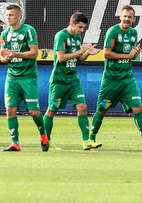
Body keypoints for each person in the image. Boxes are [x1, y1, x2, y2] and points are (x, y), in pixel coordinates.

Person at [89, 5, 142, 151]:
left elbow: (130, 55)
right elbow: (106, 53)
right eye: (124, 16)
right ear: (120, 17)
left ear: (134, 19)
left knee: (138, 107)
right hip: (111, 80)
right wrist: (128, 56)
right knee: (102, 109)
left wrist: (134, 55)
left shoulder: (134, 33)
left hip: (127, 79)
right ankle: (91, 139)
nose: (126, 19)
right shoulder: (112, 31)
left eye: (130, 17)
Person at [42, 11, 100, 150]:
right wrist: (81, 51)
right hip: (59, 80)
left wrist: (87, 53)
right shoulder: (61, 35)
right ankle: (45, 139)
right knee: (52, 110)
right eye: (80, 27)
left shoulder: (77, 38)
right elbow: (61, 58)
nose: (81, 31)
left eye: (83, 28)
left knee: (82, 107)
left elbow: (78, 59)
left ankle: (86, 141)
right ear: (72, 24)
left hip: (73, 80)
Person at [0, 4, 48, 152]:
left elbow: (34, 53)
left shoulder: (28, 30)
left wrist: (16, 54)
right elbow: (2, 57)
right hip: (12, 77)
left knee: (34, 112)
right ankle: (15, 143)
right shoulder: (5, 34)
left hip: (28, 78)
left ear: (20, 16)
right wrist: (6, 58)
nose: (8, 18)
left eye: (11, 15)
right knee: (10, 109)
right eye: (7, 15)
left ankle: (43, 135)